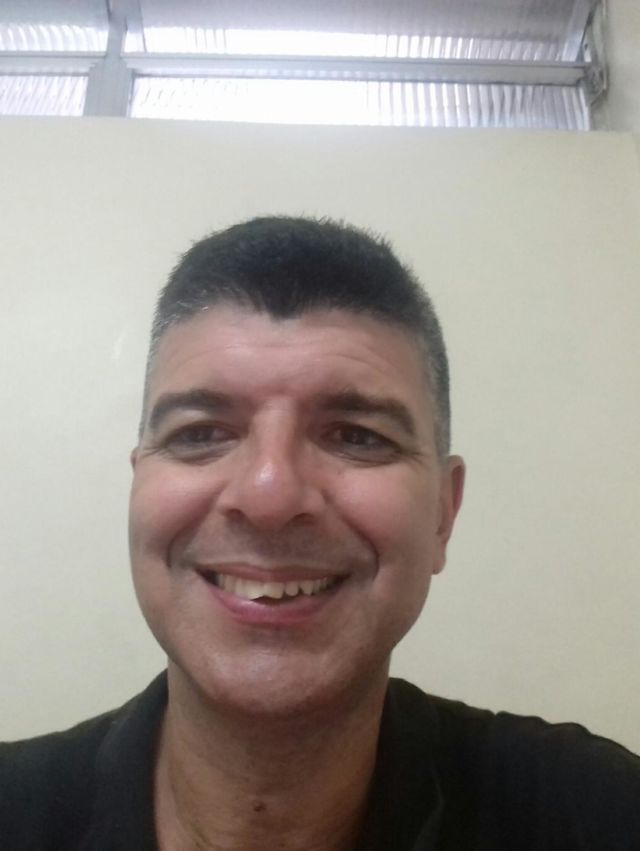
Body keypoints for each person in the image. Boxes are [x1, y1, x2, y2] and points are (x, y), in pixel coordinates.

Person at [1, 216, 639, 851]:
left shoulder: (598, 815)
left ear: (444, 513)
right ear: (139, 484)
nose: (269, 496)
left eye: (357, 437)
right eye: (200, 433)